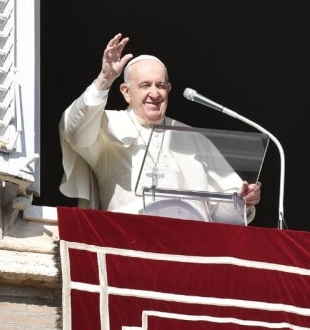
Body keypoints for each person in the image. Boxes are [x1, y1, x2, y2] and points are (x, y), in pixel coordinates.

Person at [59, 33, 262, 224]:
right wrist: (104, 79)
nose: (154, 94)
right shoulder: (106, 124)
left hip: (191, 240)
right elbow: (74, 133)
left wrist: (241, 200)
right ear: (126, 92)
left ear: (169, 89)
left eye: (161, 86)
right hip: (129, 235)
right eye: (145, 86)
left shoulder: (194, 139)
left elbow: (220, 213)